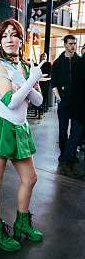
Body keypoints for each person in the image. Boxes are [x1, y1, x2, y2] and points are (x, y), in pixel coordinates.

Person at [0, 19, 44, 252]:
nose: (9, 39)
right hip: (0, 125)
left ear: (21, 39)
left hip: (20, 127)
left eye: (14, 34)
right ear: (0, 41)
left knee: (30, 178)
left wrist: (26, 81)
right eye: (5, 35)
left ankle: (22, 223)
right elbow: (9, 102)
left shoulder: (27, 66)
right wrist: (29, 83)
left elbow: (38, 101)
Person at [51, 35, 81, 165]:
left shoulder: (79, 61)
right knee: (63, 130)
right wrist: (59, 99)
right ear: (65, 44)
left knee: (76, 130)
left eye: (74, 44)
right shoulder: (58, 63)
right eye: (70, 44)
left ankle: (71, 153)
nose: (73, 46)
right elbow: (54, 83)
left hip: (77, 103)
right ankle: (63, 153)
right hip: (63, 101)